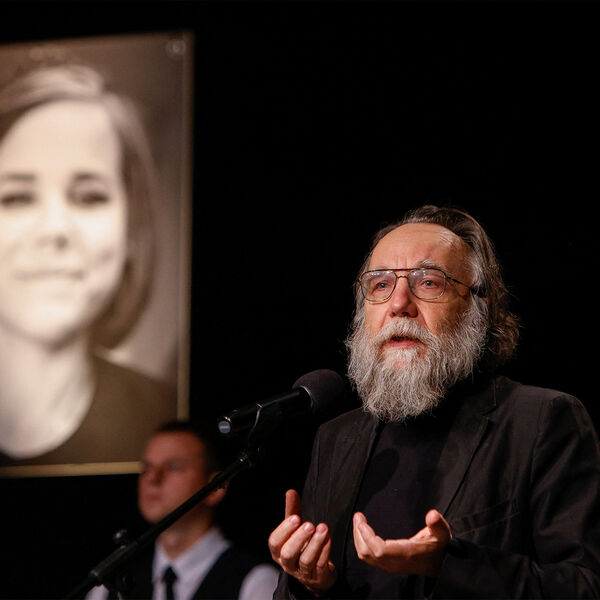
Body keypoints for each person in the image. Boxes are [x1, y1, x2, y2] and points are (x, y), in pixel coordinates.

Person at [269, 205, 600, 598]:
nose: (399, 304)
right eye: (380, 285)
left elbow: (583, 587)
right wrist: (311, 584)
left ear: (478, 307)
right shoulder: (336, 438)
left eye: (428, 282)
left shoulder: (541, 421)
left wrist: (448, 565)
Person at [0, 62, 176, 467]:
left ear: (132, 227)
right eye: (17, 197)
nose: (54, 229)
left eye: (89, 197)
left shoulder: (167, 421)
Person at [85, 419, 280, 600]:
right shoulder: (109, 586)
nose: (152, 479)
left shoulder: (256, 583)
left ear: (216, 488)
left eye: (173, 467)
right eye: (147, 468)